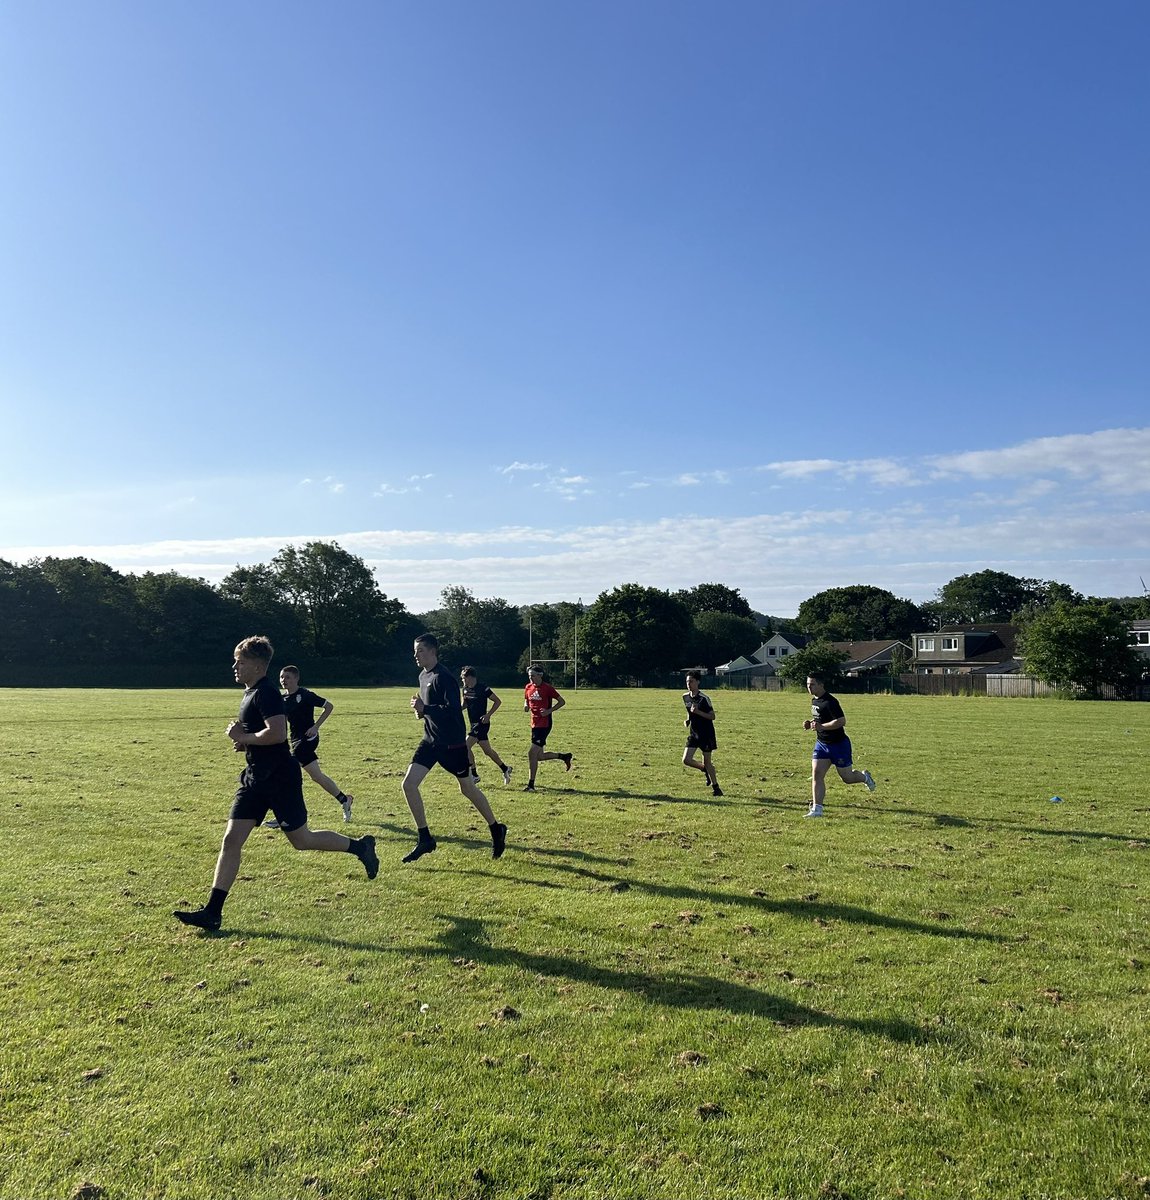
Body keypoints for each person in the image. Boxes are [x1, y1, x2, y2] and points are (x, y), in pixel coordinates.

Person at [173, 636, 378, 932]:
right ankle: (213, 912)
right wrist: (247, 744)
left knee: (302, 840)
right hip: (255, 778)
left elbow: (278, 733)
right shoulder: (251, 692)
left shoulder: (267, 693)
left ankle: (360, 847)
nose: (234, 666)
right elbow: (266, 736)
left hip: (280, 779)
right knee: (231, 840)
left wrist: (242, 737)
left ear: (257, 666)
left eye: (240, 662)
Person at [401, 634, 507, 863]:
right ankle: (425, 838)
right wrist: (421, 712)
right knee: (408, 784)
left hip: (452, 744)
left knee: (467, 789)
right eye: (415, 651)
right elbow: (429, 708)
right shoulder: (422, 675)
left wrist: (426, 708)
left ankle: (496, 828)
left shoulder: (444, 677)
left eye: (420, 651)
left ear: (432, 651)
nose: (415, 655)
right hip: (430, 741)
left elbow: (452, 711)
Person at [261, 665, 353, 828]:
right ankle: (344, 800)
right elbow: (281, 722)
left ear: (296, 679)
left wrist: (316, 727)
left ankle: (284, 816)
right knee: (316, 776)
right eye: (282, 677)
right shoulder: (283, 699)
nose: (283, 680)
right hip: (295, 740)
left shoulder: (306, 695)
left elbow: (329, 706)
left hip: (309, 738)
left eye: (287, 677)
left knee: (287, 774)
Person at [802, 673, 876, 817]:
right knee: (817, 774)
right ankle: (817, 809)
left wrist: (821, 726)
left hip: (839, 745)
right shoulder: (814, 700)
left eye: (812, 684)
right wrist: (810, 723)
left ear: (821, 685)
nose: (809, 687)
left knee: (847, 778)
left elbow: (841, 721)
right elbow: (821, 719)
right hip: (822, 744)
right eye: (808, 684)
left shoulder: (831, 702)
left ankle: (865, 777)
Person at [522, 665, 572, 792]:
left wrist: (549, 711)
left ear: (540, 675)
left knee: (531, 753)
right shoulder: (528, 687)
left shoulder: (547, 688)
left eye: (533, 676)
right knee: (539, 756)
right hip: (534, 724)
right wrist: (526, 706)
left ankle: (531, 785)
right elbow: (526, 699)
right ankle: (564, 757)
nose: (531, 678)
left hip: (544, 724)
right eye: (529, 676)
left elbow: (562, 702)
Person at [460, 666, 513, 785]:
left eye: (463, 678)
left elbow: (497, 701)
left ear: (470, 677)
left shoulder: (483, 688)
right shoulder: (465, 689)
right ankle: (505, 769)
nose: (462, 680)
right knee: (487, 751)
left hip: (482, 723)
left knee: (465, 746)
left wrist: (488, 715)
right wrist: (455, 710)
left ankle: (474, 775)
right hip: (473, 724)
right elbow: (464, 705)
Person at [682, 671, 722, 796]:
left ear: (698, 682)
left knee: (708, 762)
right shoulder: (685, 697)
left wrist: (698, 712)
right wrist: (688, 719)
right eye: (687, 681)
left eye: (691, 681)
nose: (689, 684)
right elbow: (689, 711)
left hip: (706, 734)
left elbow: (712, 716)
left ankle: (716, 788)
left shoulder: (704, 698)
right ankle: (703, 768)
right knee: (686, 760)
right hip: (694, 733)